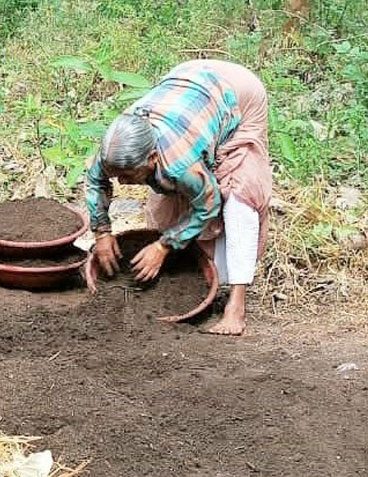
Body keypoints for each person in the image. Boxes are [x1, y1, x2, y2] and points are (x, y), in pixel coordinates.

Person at [85, 59, 272, 336]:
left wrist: (163, 246)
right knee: (172, 202)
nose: (123, 182)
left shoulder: (179, 163)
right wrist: (102, 232)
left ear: (152, 158)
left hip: (238, 93)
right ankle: (203, 268)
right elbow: (96, 180)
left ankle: (237, 306)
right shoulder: (116, 148)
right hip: (187, 82)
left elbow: (208, 206)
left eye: (128, 175)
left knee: (237, 196)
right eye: (117, 176)